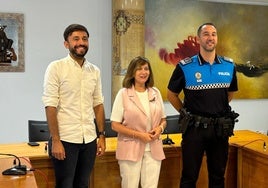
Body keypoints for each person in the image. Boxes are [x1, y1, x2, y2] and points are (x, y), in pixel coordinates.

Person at [167, 23, 239, 188]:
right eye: (206, 34)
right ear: (199, 39)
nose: (210, 38)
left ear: (217, 38)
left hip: (220, 129)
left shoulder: (229, 66)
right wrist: (185, 113)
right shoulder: (185, 67)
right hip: (194, 130)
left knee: (218, 177)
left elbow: (230, 93)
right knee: (189, 177)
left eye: (213, 34)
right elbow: (171, 95)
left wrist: (215, 108)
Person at [42, 24, 106, 188]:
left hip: (89, 139)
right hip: (65, 139)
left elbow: (98, 104)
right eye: (76, 39)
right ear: (66, 44)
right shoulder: (56, 68)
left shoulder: (94, 71)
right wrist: (55, 140)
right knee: (65, 185)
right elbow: (50, 106)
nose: (81, 42)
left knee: (83, 184)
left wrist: (101, 135)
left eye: (84, 39)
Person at [110, 56, 167, 188]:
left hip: (153, 149)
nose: (143, 72)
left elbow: (163, 120)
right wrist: (140, 135)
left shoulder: (155, 92)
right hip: (130, 149)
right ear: (132, 72)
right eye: (139, 69)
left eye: (146, 69)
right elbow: (115, 125)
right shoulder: (123, 94)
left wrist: (160, 129)